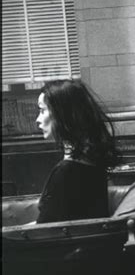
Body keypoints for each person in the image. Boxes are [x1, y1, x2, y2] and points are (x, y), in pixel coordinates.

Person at [35, 79, 120, 224]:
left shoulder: (65, 171)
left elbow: (42, 230)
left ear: (62, 115)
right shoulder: (92, 165)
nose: (38, 119)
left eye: (43, 110)